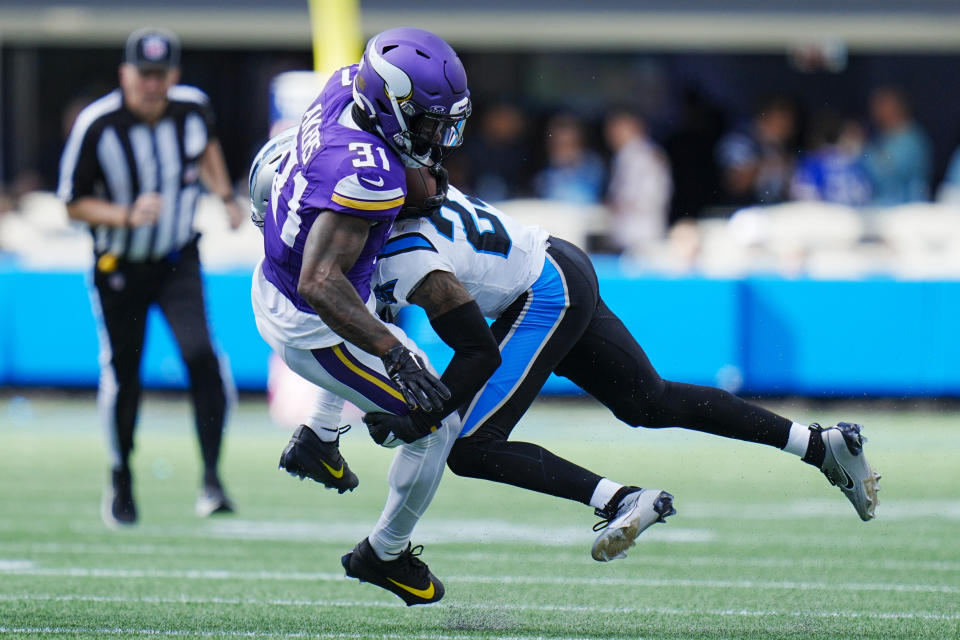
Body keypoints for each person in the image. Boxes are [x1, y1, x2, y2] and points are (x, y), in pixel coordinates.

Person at [250, 140, 881, 567]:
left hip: (543, 293)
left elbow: (473, 355)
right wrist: (322, 430)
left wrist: (412, 419)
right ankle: (819, 443)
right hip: (555, 260)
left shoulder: (393, 248)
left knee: (467, 443)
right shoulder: (382, 200)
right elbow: (369, 320)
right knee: (648, 402)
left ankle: (619, 498)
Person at [248, 28, 486, 607]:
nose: (438, 135)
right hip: (312, 319)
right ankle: (384, 553)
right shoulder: (365, 173)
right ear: (391, 103)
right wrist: (395, 355)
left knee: (379, 265)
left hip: (289, 275)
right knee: (436, 421)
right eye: (427, 121)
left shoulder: (344, 87)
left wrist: (410, 184)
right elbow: (321, 283)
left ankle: (319, 440)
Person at [57, 27, 244, 528]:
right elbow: (71, 204)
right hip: (118, 265)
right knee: (124, 374)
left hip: (178, 258)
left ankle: (211, 478)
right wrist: (124, 215)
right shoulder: (98, 125)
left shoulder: (192, 109)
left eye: (161, 75)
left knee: (202, 357)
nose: (152, 85)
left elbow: (206, 146)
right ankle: (120, 477)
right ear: (126, 74)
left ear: (173, 76)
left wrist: (225, 196)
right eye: (144, 75)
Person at [602, 109, 672, 255]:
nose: (611, 134)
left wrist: (614, 205)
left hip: (641, 236)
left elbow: (651, 197)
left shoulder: (642, 155)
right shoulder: (625, 155)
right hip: (630, 235)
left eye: (617, 127)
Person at [716, 95, 798, 207]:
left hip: (771, 211)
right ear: (765, 118)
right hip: (738, 212)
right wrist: (771, 163)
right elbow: (737, 184)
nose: (789, 129)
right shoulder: (738, 141)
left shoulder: (776, 146)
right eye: (783, 123)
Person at [863, 86, 932, 206]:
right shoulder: (883, 136)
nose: (877, 112)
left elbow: (887, 172)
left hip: (908, 208)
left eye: (882, 105)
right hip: (881, 206)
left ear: (896, 107)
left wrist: (861, 150)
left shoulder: (911, 138)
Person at [533, 113, 606, 205]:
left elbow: (587, 195)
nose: (563, 150)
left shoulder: (592, 164)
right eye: (557, 145)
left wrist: (572, 165)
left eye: (567, 144)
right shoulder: (547, 169)